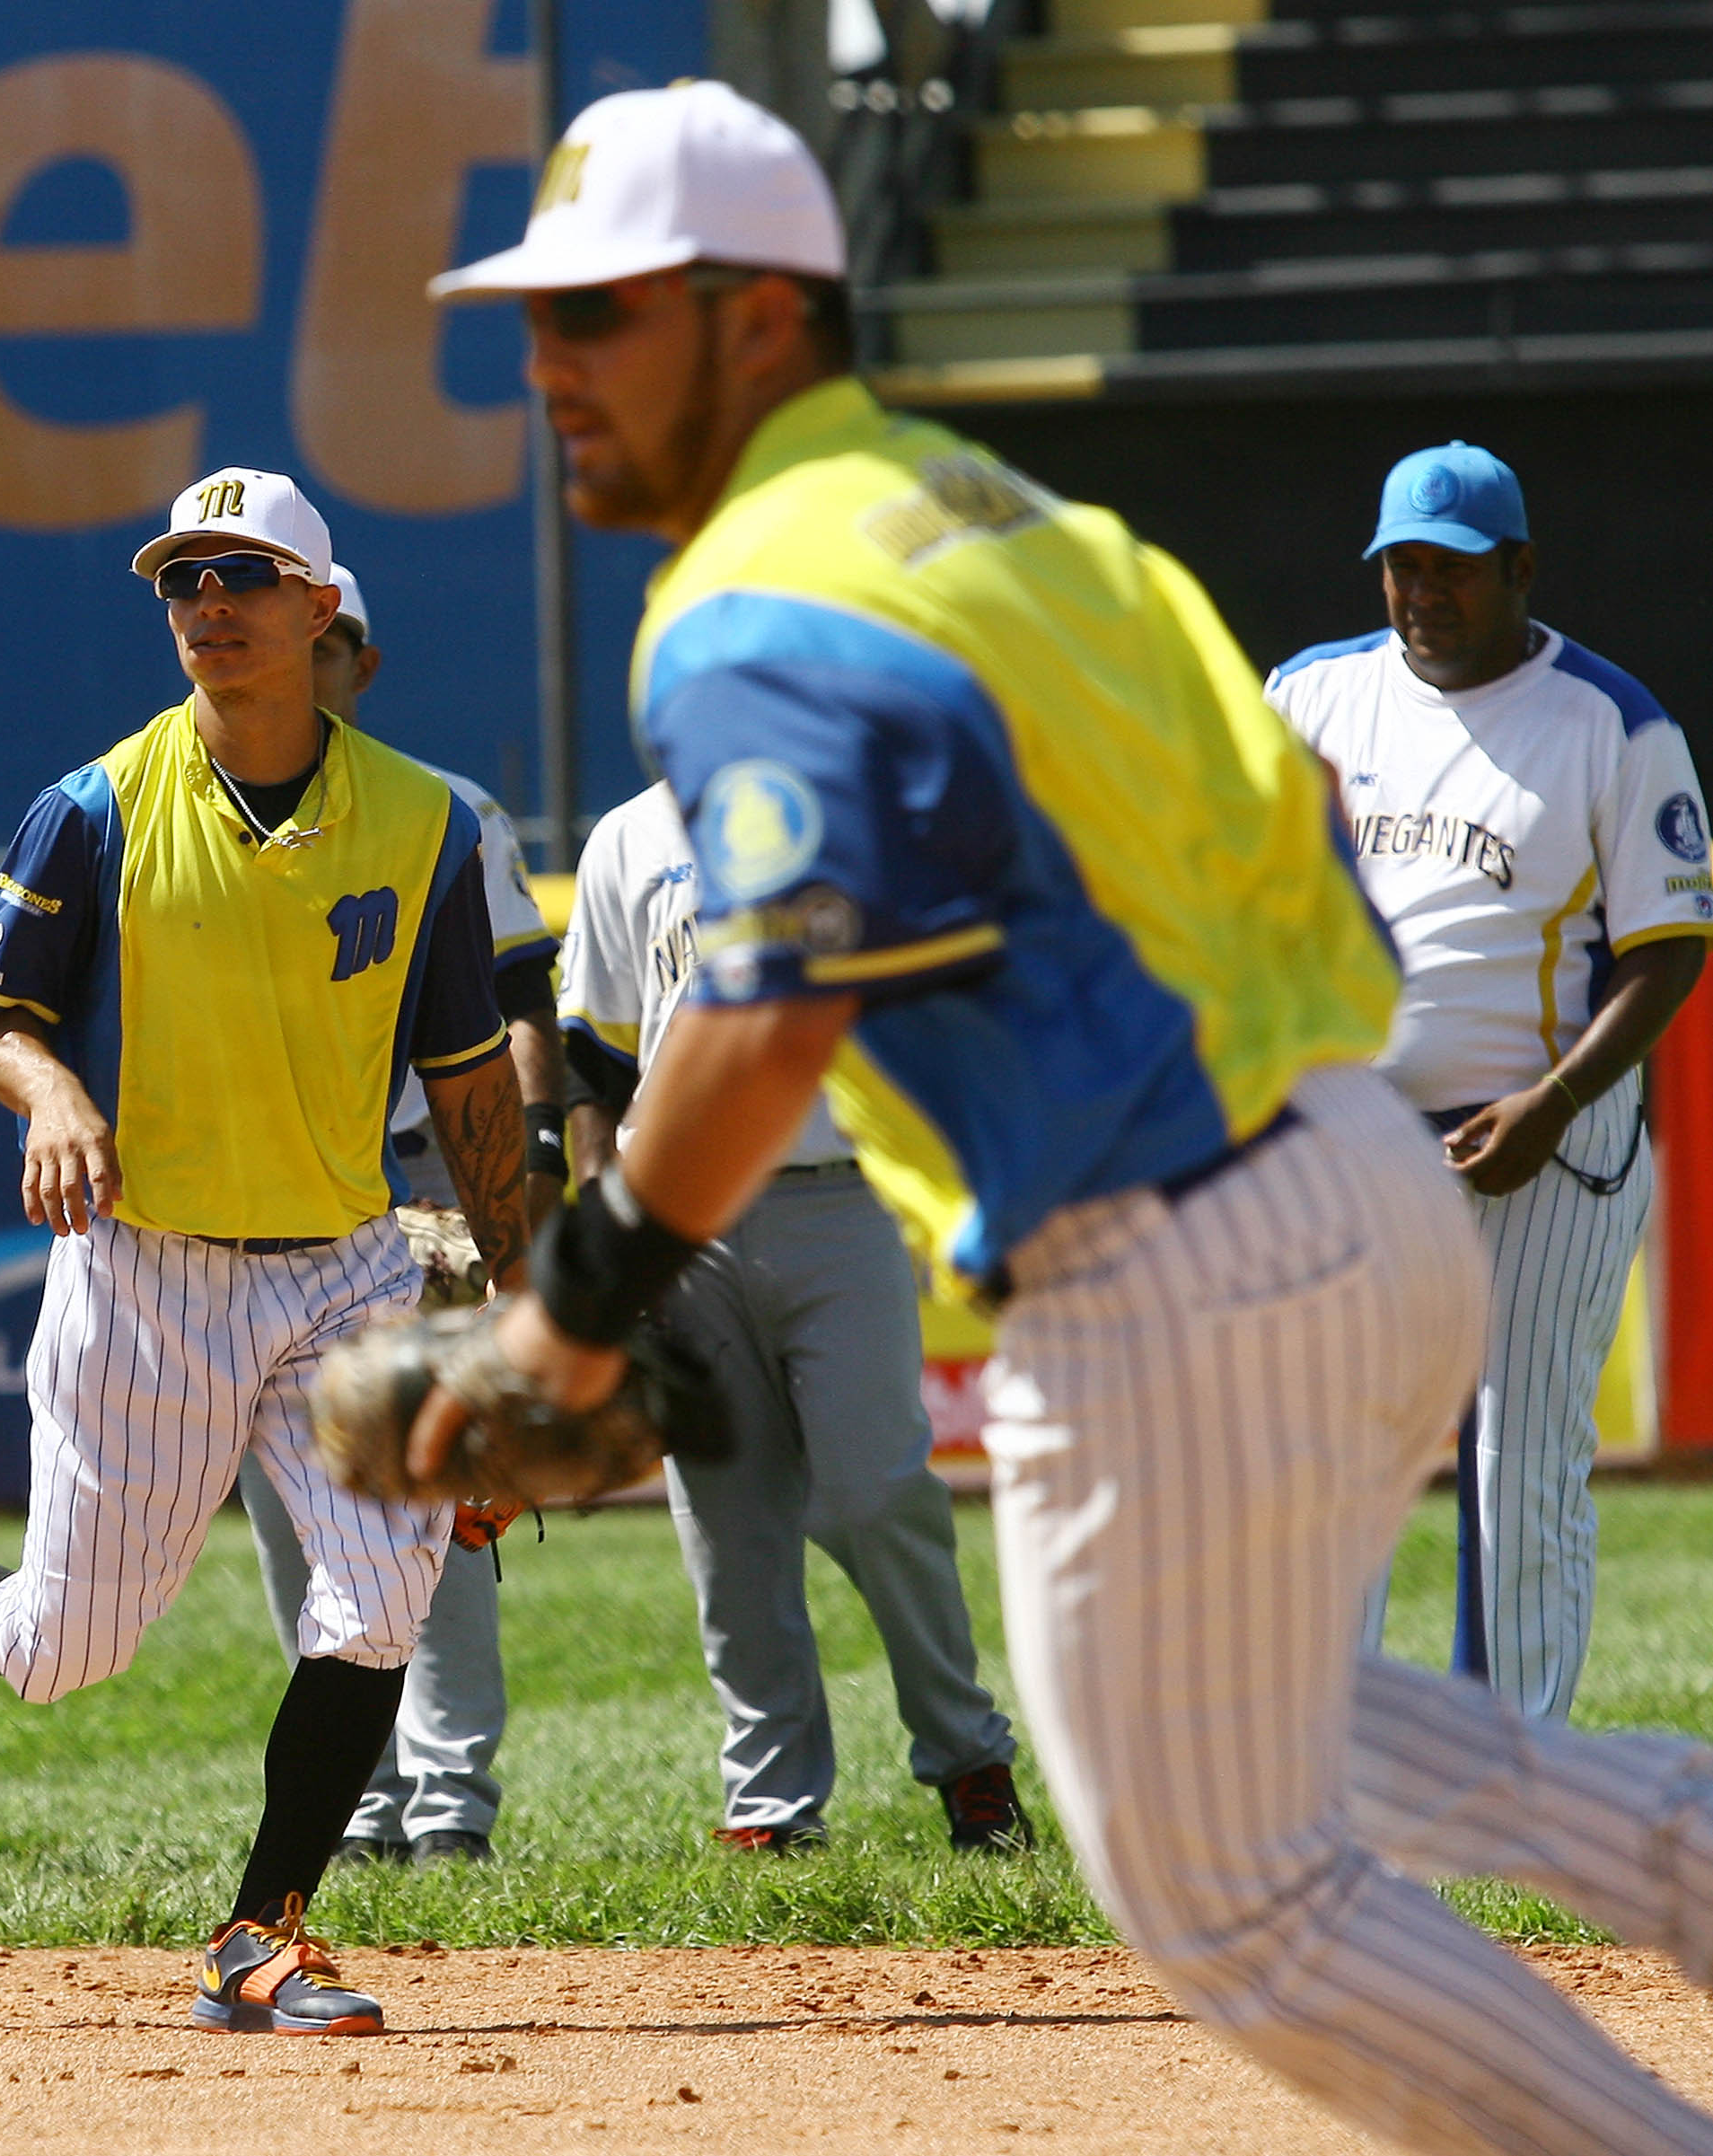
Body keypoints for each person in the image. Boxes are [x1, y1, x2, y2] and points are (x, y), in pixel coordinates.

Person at [426, 79, 1713, 2152]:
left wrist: (561, 1318)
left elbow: (762, 1013)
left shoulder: (753, 596)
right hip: (1346, 1173)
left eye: (602, 313)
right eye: (535, 318)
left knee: (1225, 1891)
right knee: (1296, 1734)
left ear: (762, 320)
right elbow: (1292, 815)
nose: (543, 364)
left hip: (1171, 1249)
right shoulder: (1012, 519)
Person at [0, 468, 524, 2037]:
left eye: (244, 576)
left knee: (384, 1598)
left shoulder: (425, 821)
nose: (208, 605)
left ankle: (262, 1931)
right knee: (64, 1648)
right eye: (182, 580)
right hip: (149, 1264)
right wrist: (49, 1091)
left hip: (345, 1266)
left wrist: (522, 1314)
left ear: (323, 607)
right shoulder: (98, 805)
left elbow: (468, 1078)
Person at [1265, 446, 1709, 1723]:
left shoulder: (1613, 723)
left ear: (1519, 567)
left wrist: (1557, 1102)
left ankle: (1511, 1775)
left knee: (1515, 1464)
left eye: (1452, 568)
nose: (1421, 592)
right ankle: (1329, 1759)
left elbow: (1668, 948)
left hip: (1544, 1145)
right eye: (1402, 565)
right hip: (1351, 1142)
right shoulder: (1310, 695)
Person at [562, 783, 1022, 1853]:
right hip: (680, 1208)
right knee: (726, 1524)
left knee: (876, 1490)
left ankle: (967, 1755)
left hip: (839, 1193)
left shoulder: (842, 805)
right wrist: (604, 1219)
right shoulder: (627, 833)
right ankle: (771, 1799)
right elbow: (593, 1053)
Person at [234, 562, 561, 1870]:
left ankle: (449, 1800)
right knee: (290, 1515)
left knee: (437, 1500)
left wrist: (516, 1193)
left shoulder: (450, 812)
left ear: (356, 661)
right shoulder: (201, 812)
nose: (308, 661)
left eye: (335, 640)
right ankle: (354, 1799)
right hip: (276, 1201)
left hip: (424, 1190)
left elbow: (520, 1005)